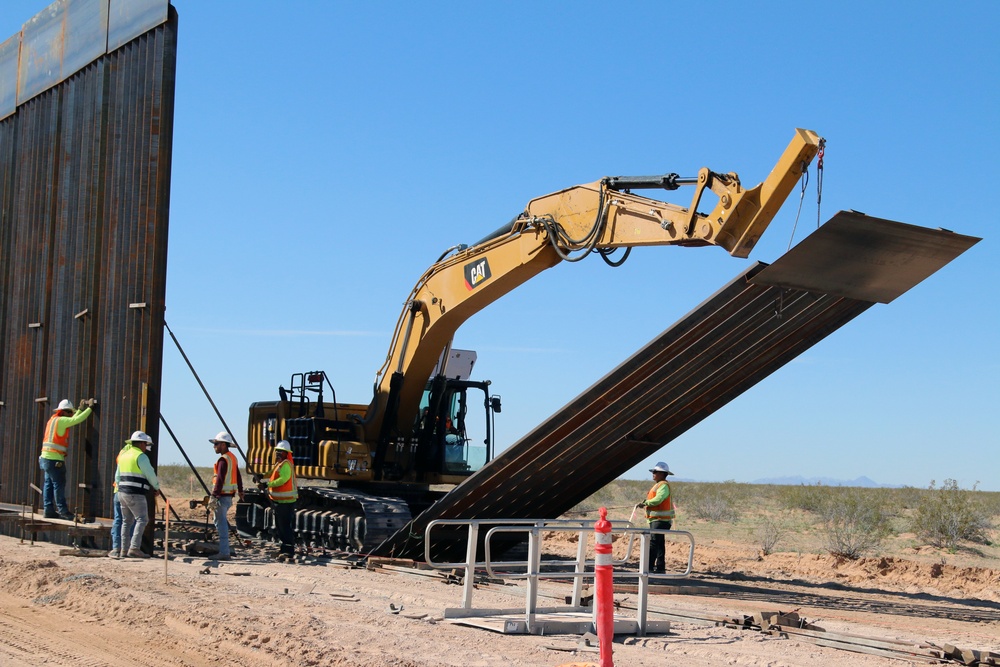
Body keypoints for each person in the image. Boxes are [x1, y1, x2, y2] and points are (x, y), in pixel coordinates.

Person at [39, 398, 95, 520]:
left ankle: (48, 510)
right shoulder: (62, 420)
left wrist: (80, 409)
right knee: (58, 484)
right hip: (55, 459)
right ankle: (63, 511)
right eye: (70, 412)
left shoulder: (52, 420)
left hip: (45, 458)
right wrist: (90, 408)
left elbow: (72, 419)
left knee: (48, 483)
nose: (72, 414)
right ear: (65, 412)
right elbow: (76, 420)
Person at [115, 431, 160, 558]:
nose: (146, 447)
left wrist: (119, 487)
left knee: (126, 521)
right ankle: (134, 548)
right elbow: (149, 473)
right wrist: (156, 487)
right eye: (145, 444)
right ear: (141, 443)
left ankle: (124, 550)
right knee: (142, 519)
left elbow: (117, 476)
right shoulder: (140, 456)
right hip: (135, 493)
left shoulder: (124, 455)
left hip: (122, 492)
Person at [209, 431, 244, 561]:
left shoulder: (223, 460)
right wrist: (240, 490)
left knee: (221, 523)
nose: (214, 447)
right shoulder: (232, 457)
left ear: (223, 445)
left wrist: (214, 495)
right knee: (218, 521)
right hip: (228, 496)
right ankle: (225, 550)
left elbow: (220, 479)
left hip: (222, 496)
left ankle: (224, 552)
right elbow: (238, 475)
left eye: (216, 444)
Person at [636, 461, 675, 575]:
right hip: (657, 519)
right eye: (653, 471)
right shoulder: (659, 485)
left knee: (653, 543)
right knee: (659, 543)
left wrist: (646, 503)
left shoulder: (663, 486)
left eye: (655, 471)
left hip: (660, 520)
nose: (653, 473)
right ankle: (660, 567)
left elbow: (658, 499)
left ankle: (648, 567)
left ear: (662, 474)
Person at [261, 440, 297, 562]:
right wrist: (262, 476)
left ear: (286, 454)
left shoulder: (286, 465)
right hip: (280, 502)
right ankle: (284, 549)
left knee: (285, 527)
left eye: (280, 452)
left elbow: (283, 479)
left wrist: (268, 484)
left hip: (286, 502)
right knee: (281, 527)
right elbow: (271, 473)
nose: (277, 454)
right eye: (277, 451)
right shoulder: (279, 464)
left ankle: (288, 551)